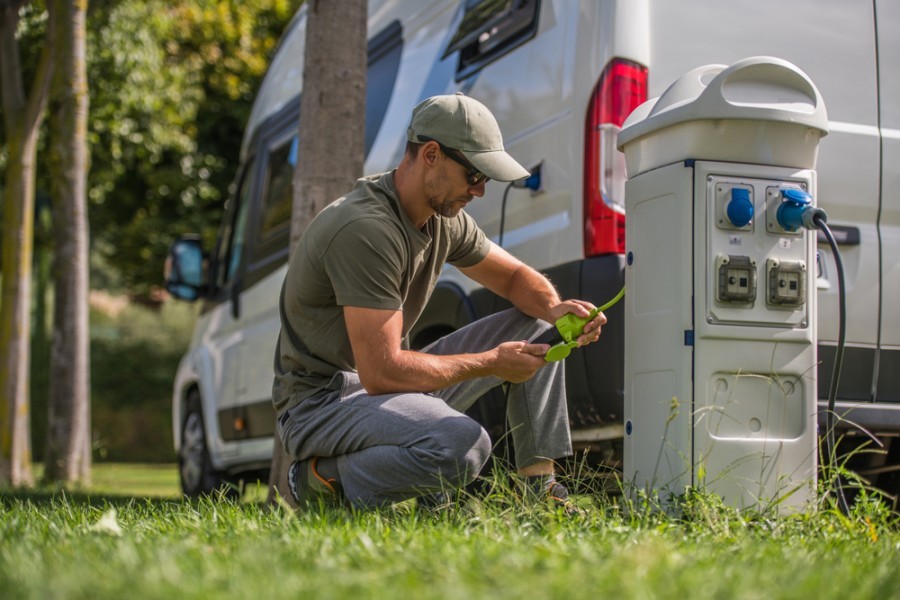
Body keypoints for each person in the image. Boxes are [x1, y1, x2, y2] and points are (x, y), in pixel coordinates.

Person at [272, 93, 606, 510]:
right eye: (474, 174)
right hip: (321, 405)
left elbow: (516, 277)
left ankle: (540, 499)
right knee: (464, 444)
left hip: (380, 392)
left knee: (538, 325)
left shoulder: (442, 219)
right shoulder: (366, 229)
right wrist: (492, 363)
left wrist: (555, 308)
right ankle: (319, 480)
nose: (480, 191)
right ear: (431, 154)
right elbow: (381, 372)